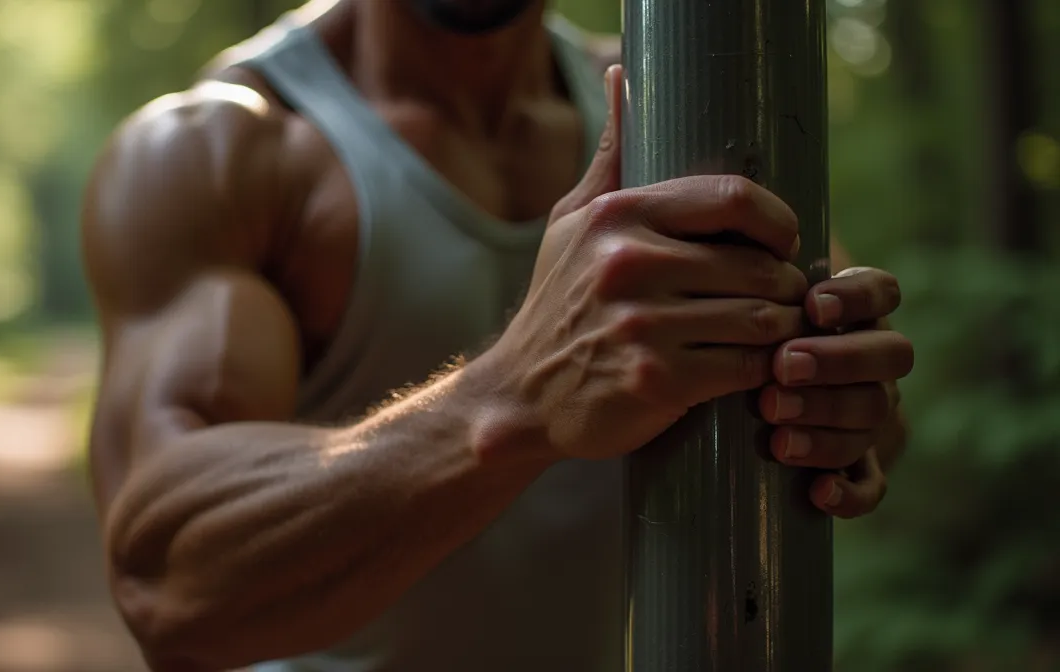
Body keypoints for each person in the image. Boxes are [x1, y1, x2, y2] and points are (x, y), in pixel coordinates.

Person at [80, 0, 915, 670]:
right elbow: (166, 582)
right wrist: (511, 397)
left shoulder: (679, 109)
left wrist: (836, 400)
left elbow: (868, 415)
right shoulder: (219, 148)